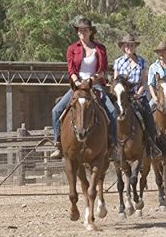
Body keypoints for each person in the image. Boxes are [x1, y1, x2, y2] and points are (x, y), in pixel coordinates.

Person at [50, 17, 116, 159]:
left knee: (112, 111)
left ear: (91, 31)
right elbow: (71, 70)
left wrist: (92, 79)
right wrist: (77, 82)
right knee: (56, 111)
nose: (82, 32)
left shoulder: (100, 48)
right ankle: (58, 143)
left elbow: (103, 70)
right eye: (79, 30)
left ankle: (113, 145)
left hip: (95, 85)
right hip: (78, 86)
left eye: (85, 30)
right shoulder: (72, 49)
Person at [113, 33, 161, 158]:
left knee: (149, 118)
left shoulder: (142, 62)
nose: (129, 47)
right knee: (110, 115)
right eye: (127, 45)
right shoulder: (118, 62)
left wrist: (137, 94)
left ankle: (151, 145)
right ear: (123, 47)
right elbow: (115, 82)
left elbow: (144, 82)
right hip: (121, 96)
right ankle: (111, 146)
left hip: (138, 95)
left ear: (135, 46)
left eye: (132, 45)